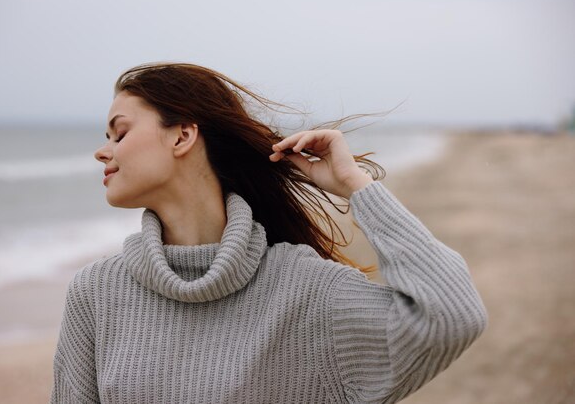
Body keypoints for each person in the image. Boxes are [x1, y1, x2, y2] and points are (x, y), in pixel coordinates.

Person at [50, 62, 487, 403]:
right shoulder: (98, 294)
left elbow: (450, 316)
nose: (102, 150)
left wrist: (357, 187)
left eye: (120, 132)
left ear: (182, 135)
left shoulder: (307, 292)